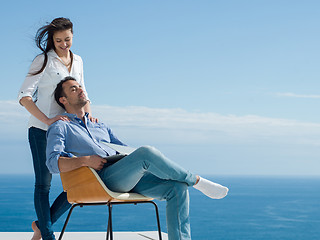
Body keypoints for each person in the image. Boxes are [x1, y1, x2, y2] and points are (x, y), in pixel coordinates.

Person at [46, 77, 229, 240]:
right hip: (100, 179)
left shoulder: (100, 125)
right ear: (63, 100)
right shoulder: (61, 126)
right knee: (146, 152)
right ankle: (196, 180)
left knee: (177, 187)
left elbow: (124, 150)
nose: (80, 90)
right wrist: (86, 160)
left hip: (126, 175)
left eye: (80, 86)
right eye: (73, 89)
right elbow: (53, 163)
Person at [18, 18, 96, 240]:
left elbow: (84, 92)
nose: (63, 44)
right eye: (58, 40)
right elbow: (23, 96)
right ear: (51, 39)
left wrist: (88, 119)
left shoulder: (78, 60)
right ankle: (48, 235)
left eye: (67, 39)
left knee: (78, 182)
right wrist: (48, 119)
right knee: (44, 184)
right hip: (41, 131)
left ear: (73, 36)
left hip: (69, 131)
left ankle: (42, 227)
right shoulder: (43, 60)